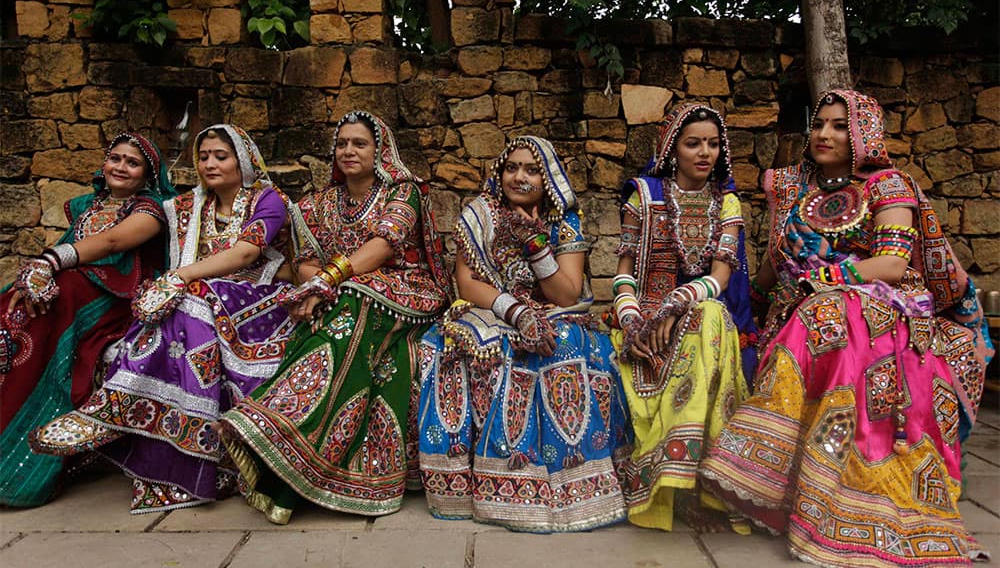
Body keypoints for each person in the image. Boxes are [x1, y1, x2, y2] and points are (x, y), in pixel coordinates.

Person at [700, 89, 994, 566]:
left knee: (833, 316)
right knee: (815, 317)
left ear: (864, 133)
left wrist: (829, 280)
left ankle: (846, 486)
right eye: (819, 123)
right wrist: (746, 303)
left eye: (839, 125)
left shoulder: (887, 185)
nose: (824, 134)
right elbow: (775, 265)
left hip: (884, 304)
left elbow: (894, 264)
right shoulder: (794, 188)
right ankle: (769, 473)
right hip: (800, 303)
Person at [31, 124, 297, 514]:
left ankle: (111, 410)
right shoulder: (186, 208)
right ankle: (166, 449)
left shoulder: (268, 200)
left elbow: (244, 255)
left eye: (220, 156)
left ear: (243, 160)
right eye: (203, 156)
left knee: (189, 299)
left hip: (261, 298)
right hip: (203, 300)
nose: (209, 163)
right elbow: (119, 239)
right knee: (178, 308)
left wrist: (179, 277)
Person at [219, 111, 451, 525]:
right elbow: (304, 262)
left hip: (407, 289)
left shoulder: (403, 192)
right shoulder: (317, 203)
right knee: (342, 307)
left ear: (380, 150)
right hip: (344, 293)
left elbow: (383, 245)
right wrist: (318, 285)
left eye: (359, 143)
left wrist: (328, 280)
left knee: (354, 301)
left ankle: (283, 435)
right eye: (341, 143)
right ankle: (288, 449)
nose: (348, 151)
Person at [418, 135, 632, 533]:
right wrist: (515, 311)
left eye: (531, 170)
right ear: (499, 173)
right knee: (458, 345)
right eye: (511, 167)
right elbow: (465, 282)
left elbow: (566, 291)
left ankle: (571, 485)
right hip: (492, 309)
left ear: (547, 178)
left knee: (565, 344)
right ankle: (486, 482)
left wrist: (536, 246)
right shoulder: (480, 214)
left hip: (553, 311)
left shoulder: (563, 222)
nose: (519, 177)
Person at [0, 133, 175, 507]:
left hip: (114, 301)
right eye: (116, 158)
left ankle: (18, 472)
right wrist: (32, 279)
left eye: (133, 163)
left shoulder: (149, 209)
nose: (121, 167)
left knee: (40, 332)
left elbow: (112, 244)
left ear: (148, 175)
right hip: (71, 294)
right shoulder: (88, 206)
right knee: (11, 313)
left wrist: (48, 263)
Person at [611, 103, 755, 533]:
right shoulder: (645, 195)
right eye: (693, 143)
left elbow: (721, 276)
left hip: (697, 315)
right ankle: (673, 487)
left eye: (713, 143)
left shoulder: (726, 203)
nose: (704, 152)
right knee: (699, 325)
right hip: (644, 322)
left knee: (709, 317)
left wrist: (678, 305)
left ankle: (696, 487)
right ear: (673, 148)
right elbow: (623, 270)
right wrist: (634, 321)